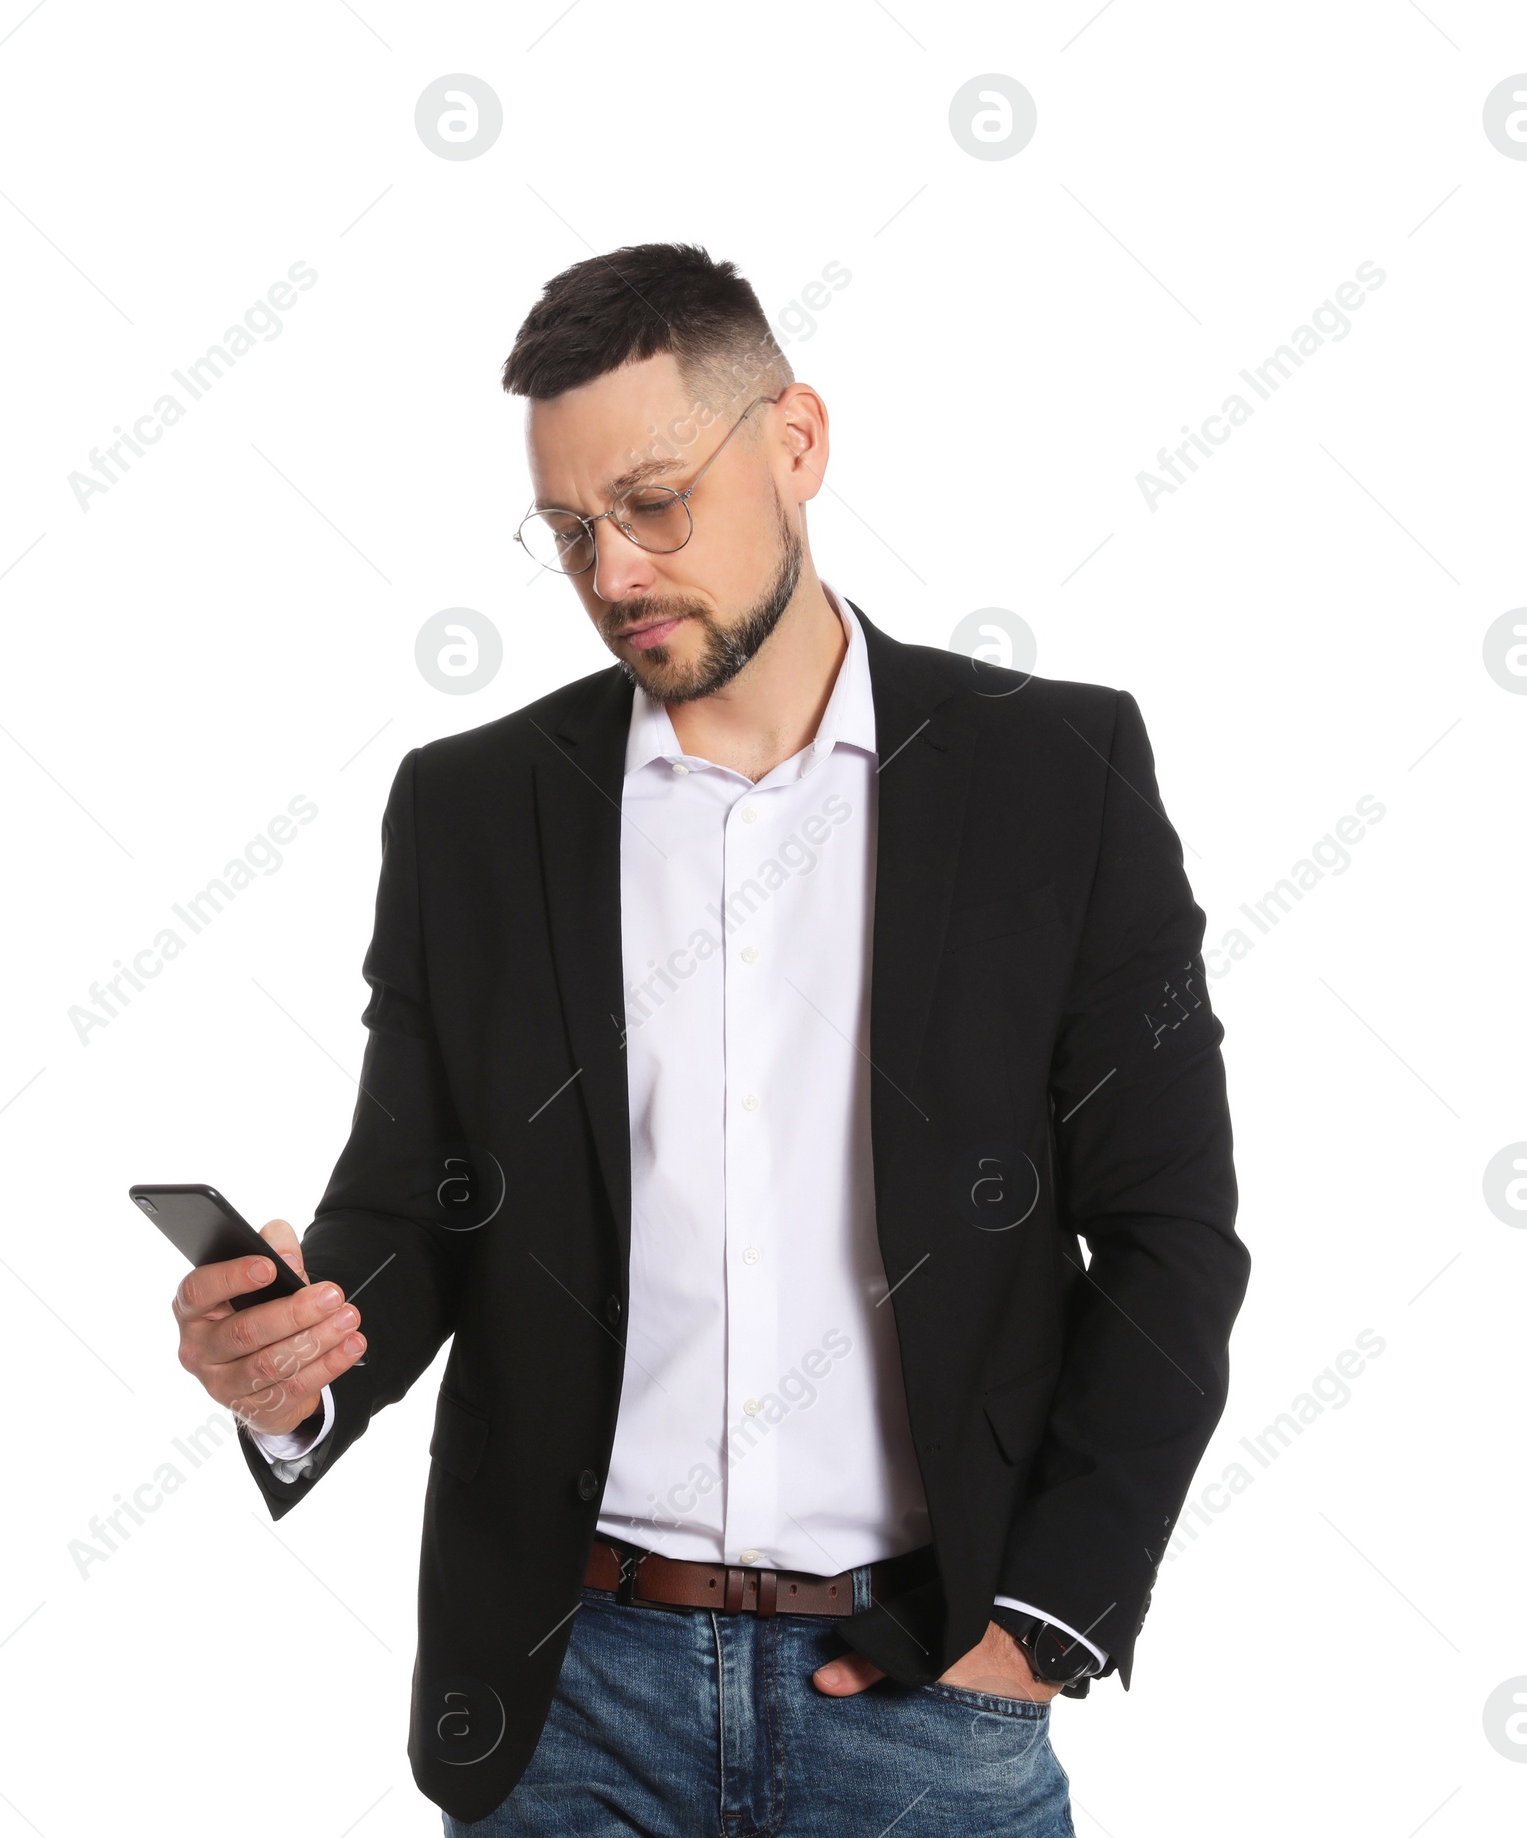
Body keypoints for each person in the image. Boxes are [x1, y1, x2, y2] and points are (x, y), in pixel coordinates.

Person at [172, 243, 1247, 1834]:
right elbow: (418, 1207)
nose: (615, 573)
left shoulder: (1056, 774)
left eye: (656, 502)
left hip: (927, 1692)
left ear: (796, 443)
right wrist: (296, 1365)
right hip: (568, 1698)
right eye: (569, 531)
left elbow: (1169, 1235)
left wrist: (1042, 1627)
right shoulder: (473, 811)